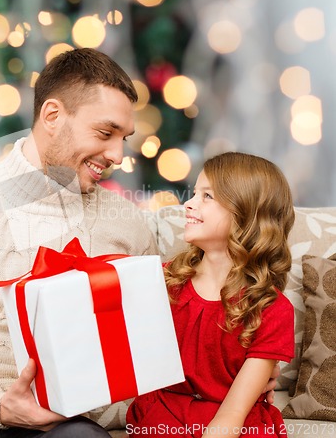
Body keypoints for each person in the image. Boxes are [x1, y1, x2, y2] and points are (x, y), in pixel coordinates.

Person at [0, 49, 278, 438]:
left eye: (124, 138)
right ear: (52, 114)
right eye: (105, 132)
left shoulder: (127, 224)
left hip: (64, 422)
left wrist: (246, 372)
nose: (117, 154)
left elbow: (158, 340)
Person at [126, 152, 295, 438]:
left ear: (247, 214)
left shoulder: (273, 309)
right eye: (193, 194)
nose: (188, 204)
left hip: (234, 424)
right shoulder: (161, 282)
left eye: (207, 196)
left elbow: (232, 414)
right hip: (165, 416)